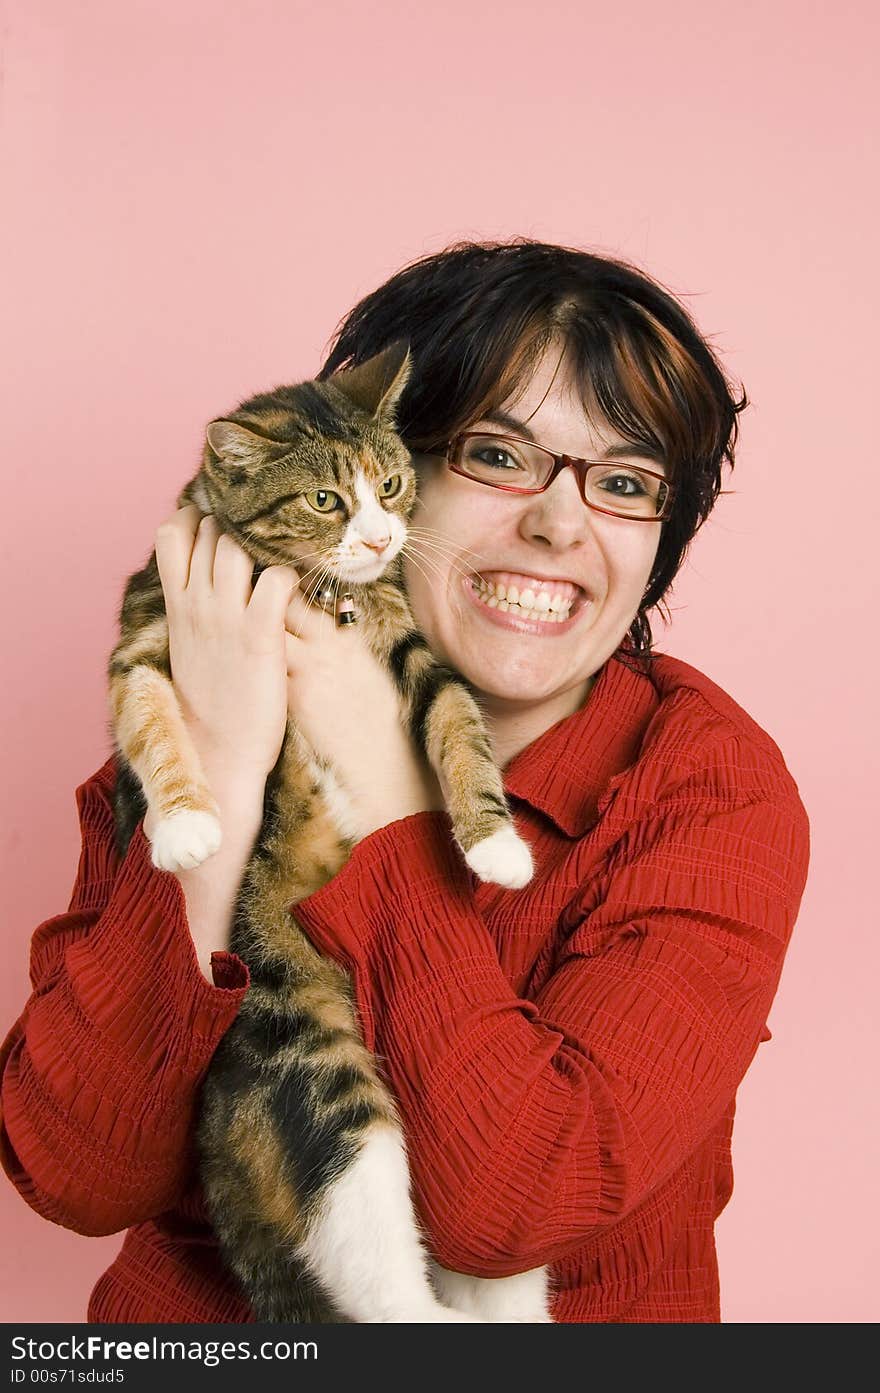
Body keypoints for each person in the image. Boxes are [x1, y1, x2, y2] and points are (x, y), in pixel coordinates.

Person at [0, 240, 810, 1323]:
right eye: (496, 454)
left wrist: (388, 798)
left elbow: (509, 1202)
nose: (559, 524)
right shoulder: (200, 709)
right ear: (381, 466)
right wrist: (230, 774)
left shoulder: (708, 789)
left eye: (623, 483)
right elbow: (78, 1169)